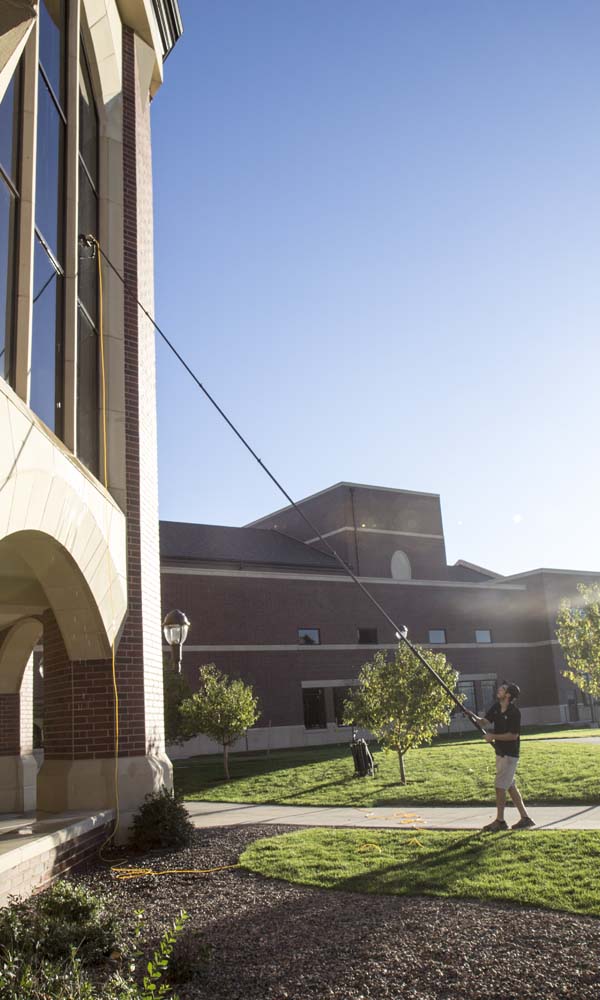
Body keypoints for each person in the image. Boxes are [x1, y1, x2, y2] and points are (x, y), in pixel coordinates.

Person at [468, 682, 535, 832]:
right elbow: (484, 722)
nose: (499, 690)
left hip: (509, 755)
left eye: (502, 689)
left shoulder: (514, 713)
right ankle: (525, 818)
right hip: (500, 753)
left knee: (500, 786)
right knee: (510, 786)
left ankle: (500, 821)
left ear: (508, 695)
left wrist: (492, 736)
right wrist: (472, 715)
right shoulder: (496, 708)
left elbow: (513, 735)